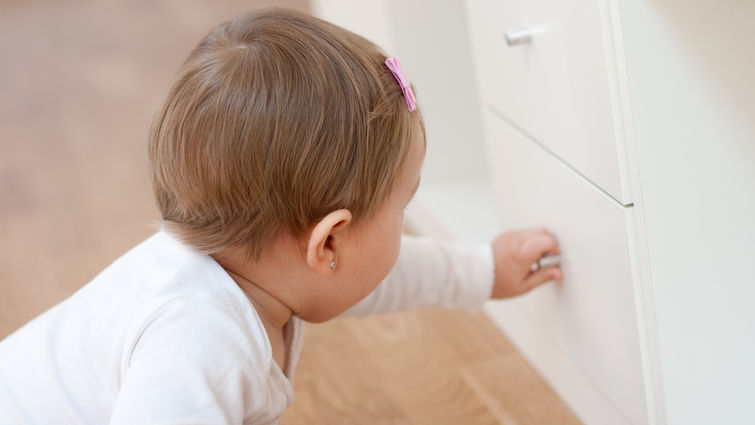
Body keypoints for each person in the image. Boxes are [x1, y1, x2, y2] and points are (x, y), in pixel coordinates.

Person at [0, 7, 562, 425]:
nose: (402, 227)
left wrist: (483, 269)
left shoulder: (265, 264)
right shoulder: (200, 347)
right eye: (403, 206)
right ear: (328, 244)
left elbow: (380, 274)